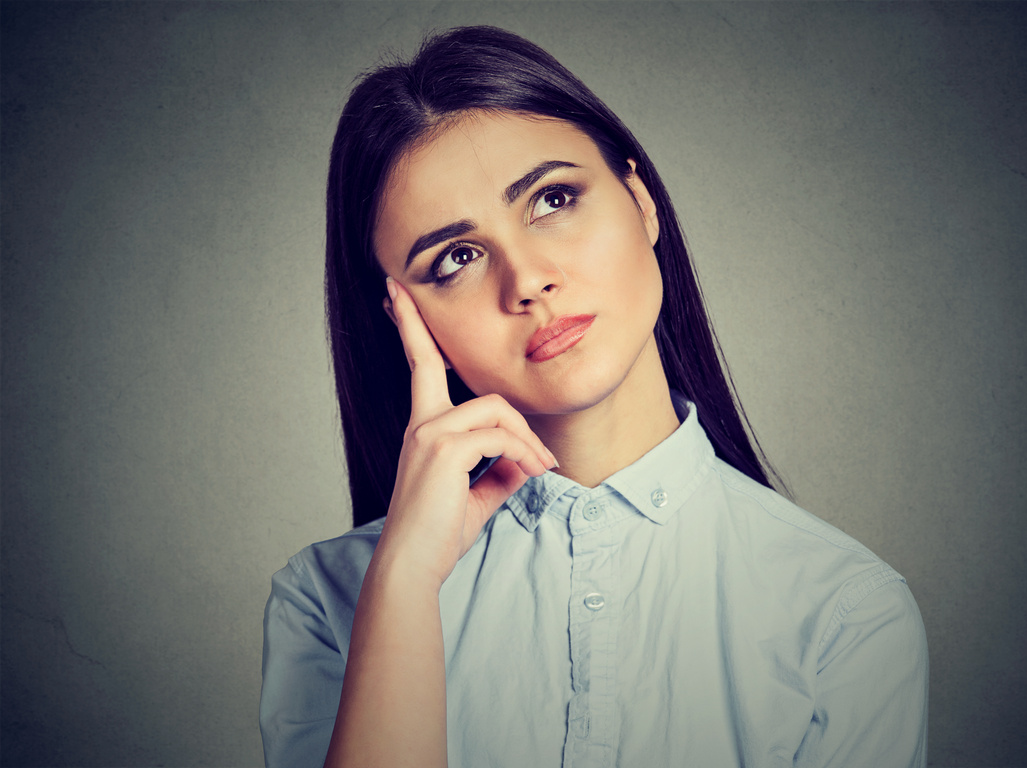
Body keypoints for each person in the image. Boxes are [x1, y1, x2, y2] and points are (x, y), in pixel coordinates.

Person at [260, 25, 928, 768]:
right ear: (402, 318)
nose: (528, 280)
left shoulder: (845, 611)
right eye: (456, 257)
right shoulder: (326, 601)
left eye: (552, 199)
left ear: (640, 201)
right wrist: (405, 582)